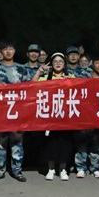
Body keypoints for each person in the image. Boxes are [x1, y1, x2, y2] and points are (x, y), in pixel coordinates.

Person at [0, 40, 30, 182]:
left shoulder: (22, 69)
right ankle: (0, 170)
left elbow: (29, 89)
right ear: (1, 52)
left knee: (17, 142)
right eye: (5, 49)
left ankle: (17, 170)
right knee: (0, 142)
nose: (8, 51)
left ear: (14, 51)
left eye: (11, 48)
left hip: (18, 111)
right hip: (0, 112)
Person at [32, 53, 75, 181]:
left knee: (65, 143)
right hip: (49, 115)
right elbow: (31, 86)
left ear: (64, 64)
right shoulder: (46, 77)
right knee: (50, 143)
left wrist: (69, 82)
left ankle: (63, 169)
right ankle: (51, 168)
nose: (58, 63)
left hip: (65, 115)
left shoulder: (71, 76)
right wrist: (39, 72)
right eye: (55, 61)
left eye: (60, 61)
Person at [74, 55, 99, 179]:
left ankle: (95, 168)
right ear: (92, 64)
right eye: (97, 63)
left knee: (96, 142)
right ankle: (81, 167)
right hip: (84, 114)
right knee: (82, 142)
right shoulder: (83, 75)